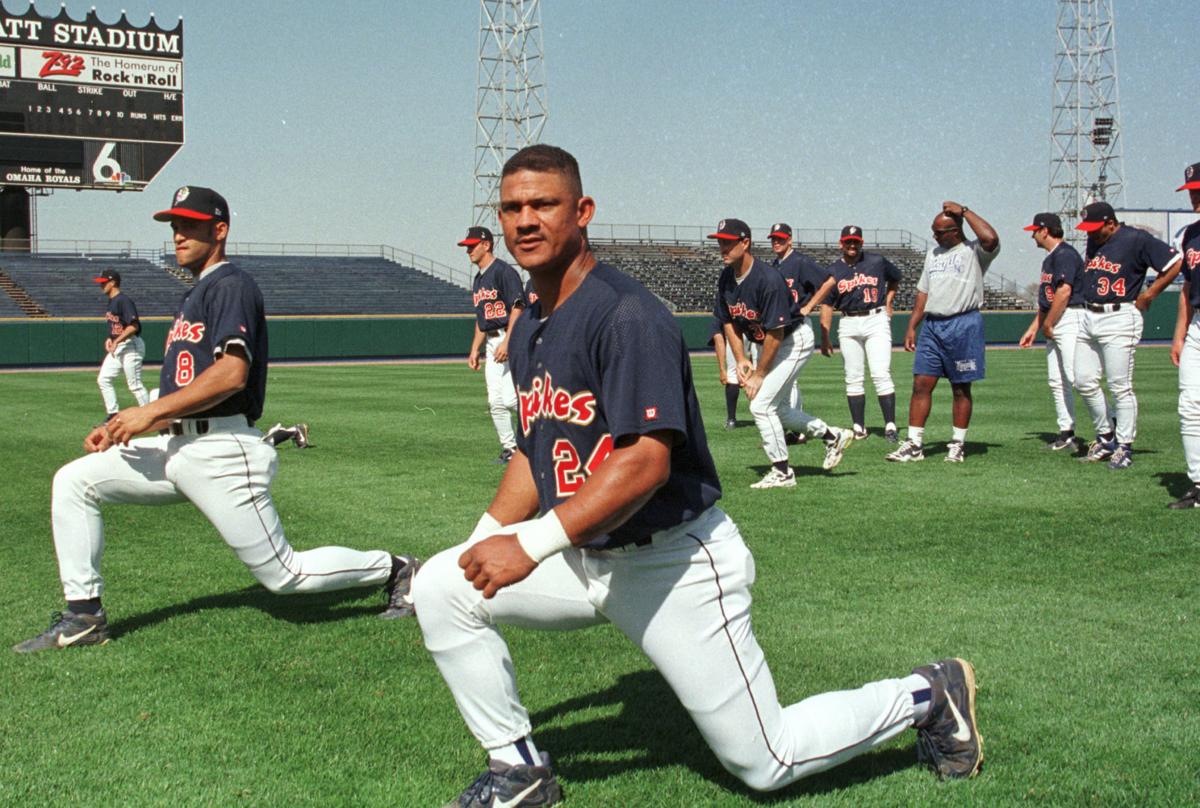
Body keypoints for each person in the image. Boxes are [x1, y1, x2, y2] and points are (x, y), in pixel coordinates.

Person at [413, 145, 984, 808]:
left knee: (767, 761)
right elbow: (534, 452)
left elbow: (646, 462)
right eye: (513, 208)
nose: (526, 220)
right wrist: (483, 541)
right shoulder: (536, 321)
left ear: (582, 212)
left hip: (672, 564)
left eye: (544, 204)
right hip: (583, 555)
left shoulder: (626, 313)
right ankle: (518, 771)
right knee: (441, 585)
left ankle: (927, 694)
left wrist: (529, 545)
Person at [13, 186, 419, 654]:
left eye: (190, 225)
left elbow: (231, 373)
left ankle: (397, 569)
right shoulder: (199, 292)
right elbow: (186, 389)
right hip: (177, 449)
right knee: (74, 482)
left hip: (222, 451)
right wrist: (123, 424)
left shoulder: (231, 285)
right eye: (175, 226)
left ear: (220, 230)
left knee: (285, 575)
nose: (178, 235)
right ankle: (84, 616)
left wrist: (148, 412)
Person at [712, 218, 852, 489]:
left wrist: (759, 374)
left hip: (792, 340)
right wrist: (741, 358)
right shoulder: (726, 277)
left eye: (728, 243)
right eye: (720, 242)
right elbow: (727, 320)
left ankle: (782, 473)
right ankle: (833, 436)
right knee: (781, 410)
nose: (722, 248)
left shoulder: (768, 278)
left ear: (745, 243)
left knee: (761, 405)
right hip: (767, 342)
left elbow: (776, 334)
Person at [1073, 201, 1182, 469]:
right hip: (1089, 314)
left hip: (1120, 314)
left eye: (1095, 228)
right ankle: (1106, 435)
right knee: (1083, 380)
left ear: (1111, 223)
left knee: (1119, 385)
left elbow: (1175, 263)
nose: (1090, 234)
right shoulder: (1094, 240)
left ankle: (1124, 446)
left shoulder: (1136, 238)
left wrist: (1150, 293)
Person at [888, 202, 999, 463]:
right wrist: (912, 326)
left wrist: (965, 211)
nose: (935, 236)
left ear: (956, 231)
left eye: (940, 232)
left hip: (963, 324)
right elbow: (923, 292)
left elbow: (991, 238)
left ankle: (957, 443)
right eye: (933, 231)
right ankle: (914, 445)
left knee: (960, 388)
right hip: (933, 326)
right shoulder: (933, 254)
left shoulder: (974, 251)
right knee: (921, 384)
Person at [819, 225, 902, 442]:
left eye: (856, 241)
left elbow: (895, 278)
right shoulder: (834, 270)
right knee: (853, 377)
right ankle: (858, 426)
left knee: (880, 373)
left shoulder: (876, 261)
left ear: (861, 243)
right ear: (841, 243)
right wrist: (825, 336)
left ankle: (890, 426)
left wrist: (889, 301)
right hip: (847, 321)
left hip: (875, 318)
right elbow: (827, 305)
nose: (852, 245)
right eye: (848, 241)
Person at [1017, 213, 1087, 451]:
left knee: (1077, 377)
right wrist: (1034, 327)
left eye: (1035, 230)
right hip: (1056, 319)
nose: (1032, 235)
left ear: (1045, 230)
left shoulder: (1065, 254)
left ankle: (1109, 429)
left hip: (1070, 317)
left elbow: (1064, 293)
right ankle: (1066, 432)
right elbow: (1047, 302)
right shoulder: (1050, 258)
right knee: (1057, 381)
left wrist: (1049, 324)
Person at [462, 226, 526, 464]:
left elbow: (518, 307)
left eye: (472, 245)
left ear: (486, 244)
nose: (468, 250)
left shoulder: (504, 272)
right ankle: (510, 450)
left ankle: (540, 437)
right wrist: (474, 349)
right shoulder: (478, 280)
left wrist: (509, 341)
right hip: (491, 340)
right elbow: (481, 319)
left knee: (511, 400)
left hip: (510, 336)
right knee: (495, 402)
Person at [768, 221, 830, 446]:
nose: (776, 242)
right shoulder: (776, 265)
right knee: (789, 381)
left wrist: (809, 305)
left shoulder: (800, 261)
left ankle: (796, 431)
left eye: (781, 238)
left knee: (789, 382)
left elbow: (829, 281)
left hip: (797, 326)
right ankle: (796, 429)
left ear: (790, 240)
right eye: (773, 238)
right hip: (782, 328)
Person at [1169, 162, 1200, 506]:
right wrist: (1179, 335)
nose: (1194, 195)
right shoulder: (1191, 234)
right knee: (1190, 405)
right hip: (1197, 326)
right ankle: (1198, 483)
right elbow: (1186, 287)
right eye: (1192, 190)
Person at [94, 268, 150, 419]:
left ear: (113, 283)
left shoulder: (123, 300)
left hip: (131, 346)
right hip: (119, 346)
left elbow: (134, 326)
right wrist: (110, 338)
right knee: (103, 379)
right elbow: (117, 325)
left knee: (135, 385)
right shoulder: (112, 301)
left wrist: (117, 340)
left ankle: (150, 415)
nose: (101, 286)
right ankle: (113, 414)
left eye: (103, 283)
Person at [707, 316, 742, 429]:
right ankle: (767, 416)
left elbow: (719, 339)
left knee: (732, 375)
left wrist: (722, 369)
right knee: (761, 375)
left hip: (734, 332)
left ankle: (731, 420)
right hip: (757, 332)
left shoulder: (721, 308)